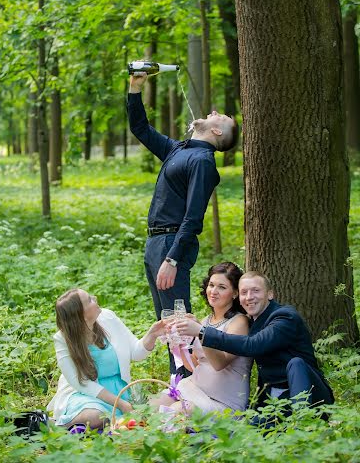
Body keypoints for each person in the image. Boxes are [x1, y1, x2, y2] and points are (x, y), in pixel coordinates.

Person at [127, 72, 238, 371]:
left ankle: (186, 388)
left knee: (177, 323)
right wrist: (135, 90)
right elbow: (140, 127)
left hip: (171, 244)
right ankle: (180, 385)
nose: (213, 112)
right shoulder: (180, 149)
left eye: (220, 116)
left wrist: (173, 258)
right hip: (156, 243)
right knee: (167, 323)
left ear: (217, 132)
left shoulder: (203, 162)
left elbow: (193, 217)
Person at [174, 271, 334, 424]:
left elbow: (253, 345)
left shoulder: (285, 317)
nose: (249, 297)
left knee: (296, 363)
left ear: (270, 294)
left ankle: (304, 424)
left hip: (311, 397)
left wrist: (202, 332)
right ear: (239, 297)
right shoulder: (252, 323)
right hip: (277, 402)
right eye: (244, 292)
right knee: (246, 432)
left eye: (255, 291)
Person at [47, 288, 163, 429]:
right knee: (95, 416)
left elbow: (136, 353)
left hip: (119, 389)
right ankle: (60, 425)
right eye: (89, 300)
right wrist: (120, 403)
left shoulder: (108, 317)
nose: (95, 298)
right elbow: (81, 383)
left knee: (157, 405)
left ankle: (115, 423)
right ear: (81, 316)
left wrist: (152, 335)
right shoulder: (63, 339)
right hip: (84, 394)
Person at [152, 262, 252, 414]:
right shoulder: (206, 320)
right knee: (151, 406)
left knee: (174, 411)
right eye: (211, 285)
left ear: (235, 293)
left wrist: (200, 332)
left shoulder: (239, 322)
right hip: (196, 390)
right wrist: (178, 344)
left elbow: (219, 364)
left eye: (222, 287)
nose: (213, 291)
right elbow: (194, 365)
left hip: (222, 402)